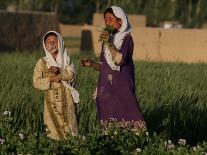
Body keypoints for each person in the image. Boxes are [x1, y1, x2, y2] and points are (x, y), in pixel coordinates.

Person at [81, 6, 146, 131]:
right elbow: (104, 66)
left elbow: (119, 60)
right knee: (108, 118)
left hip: (121, 85)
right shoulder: (107, 41)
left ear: (120, 21)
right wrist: (92, 64)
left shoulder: (127, 39)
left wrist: (109, 43)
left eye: (110, 19)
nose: (107, 23)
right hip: (106, 87)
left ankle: (135, 144)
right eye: (105, 20)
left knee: (129, 114)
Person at [33, 31, 79, 140]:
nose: (52, 43)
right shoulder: (41, 62)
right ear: (45, 45)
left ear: (60, 43)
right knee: (52, 132)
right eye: (48, 41)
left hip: (67, 101)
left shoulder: (67, 59)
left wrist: (60, 73)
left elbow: (72, 75)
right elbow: (36, 82)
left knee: (70, 130)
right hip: (50, 104)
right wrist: (51, 79)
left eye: (55, 41)